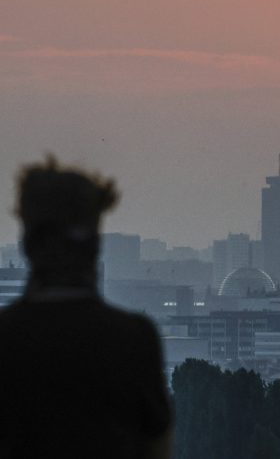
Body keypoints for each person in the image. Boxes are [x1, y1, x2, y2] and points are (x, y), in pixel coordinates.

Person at [0, 157, 172, 458]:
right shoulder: (134, 340)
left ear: (27, 242)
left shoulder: (6, 339)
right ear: (94, 245)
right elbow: (157, 448)